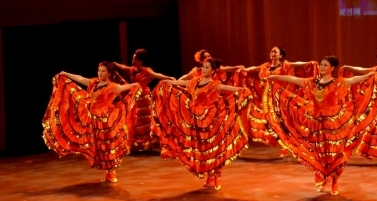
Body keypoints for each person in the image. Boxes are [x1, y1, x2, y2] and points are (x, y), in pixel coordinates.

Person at [265, 56, 377, 196]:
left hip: (334, 122)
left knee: (335, 153)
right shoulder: (312, 82)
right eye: (321, 64)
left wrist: (368, 75)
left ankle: (334, 181)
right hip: (316, 121)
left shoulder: (338, 82)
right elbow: (294, 79)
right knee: (319, 153)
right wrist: (274, 77)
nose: (322, 67)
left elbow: (354, 80)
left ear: (332, 68)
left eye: (325, 65)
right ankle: (322, 177)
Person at [152, 57, 251, 190]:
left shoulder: (214, 84)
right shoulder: (196, 81)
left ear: (213, 70)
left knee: (212, 148)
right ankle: (209, 177)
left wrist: (241, 90)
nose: (203, 70)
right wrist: (166, 82)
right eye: (203, 67)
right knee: (202, 150)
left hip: (209, 119)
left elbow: (226, 88)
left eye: (207, 68)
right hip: (195, 118)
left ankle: (216, 176)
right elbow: (182, 83)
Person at [42, 62, 141, 183]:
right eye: (99, 71)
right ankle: (107, 171)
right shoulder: (94, 83)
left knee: (107, 145)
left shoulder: (113, 86)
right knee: (96, 144)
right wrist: (65, 73)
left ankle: (111, 172)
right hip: (91, 116)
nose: (100, 73)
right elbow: (80, 78)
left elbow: (128, 87)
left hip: (105, 119)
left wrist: (136, 85)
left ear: (109, 73)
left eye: (103, 71)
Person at [239, 46, 318, 152]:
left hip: (279, 97)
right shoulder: (265, 67)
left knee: (284, 121)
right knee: (269, 119)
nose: (272, 54)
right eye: (271, 52)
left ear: (280, 55)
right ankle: (281, 140)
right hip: (266, 97)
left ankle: (292, 142)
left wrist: (309, 63)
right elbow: (254, 68)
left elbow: (297, 63)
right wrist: (244, 70)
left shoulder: (284, 66)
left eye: (275, 52)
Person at [111, 49, 175, 151]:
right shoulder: (132, 69)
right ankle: (138, 143)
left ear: (140, 61)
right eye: (133, 58)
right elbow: (124, 67)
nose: (133, 60)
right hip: (136, 98)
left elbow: (157, 75)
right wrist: (115, 64)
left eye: (135, 59)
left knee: (145, 122)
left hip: (144, 100)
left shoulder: (146, 71)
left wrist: (169, 78)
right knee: (136, 121)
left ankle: (148, 142)